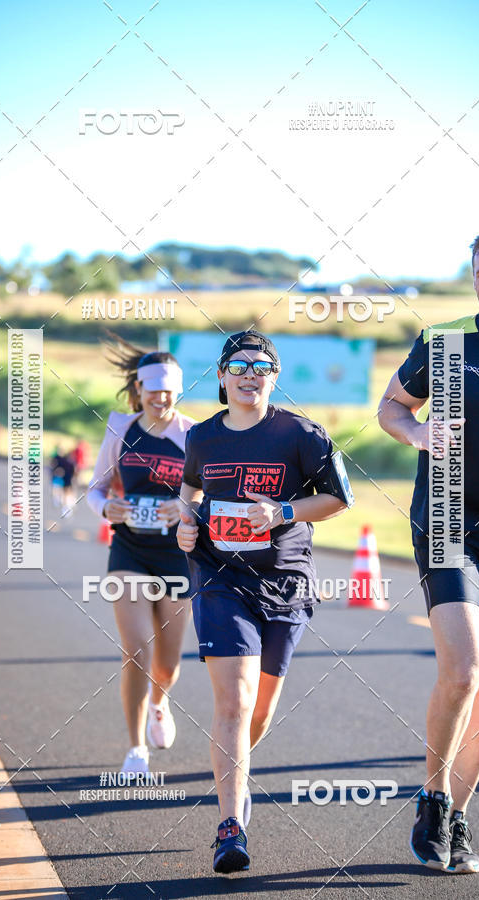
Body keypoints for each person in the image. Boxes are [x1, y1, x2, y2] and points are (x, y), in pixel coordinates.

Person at [378, 225, 479, 875]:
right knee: (465, 669)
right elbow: (392, 408)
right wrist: (417, 433)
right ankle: (434, 798)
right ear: (473, 279)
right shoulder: (445, 345)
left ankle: (460, 818)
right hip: (445, 516)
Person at [177, 330, 353, 873]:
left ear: (274, 376)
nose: (249, 374)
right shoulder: (202, 437)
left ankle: (238, 775)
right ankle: (230, 826)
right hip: (220, 578)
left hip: (286, 583)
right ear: (222, 376)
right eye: (238, 365)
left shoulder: (301, 433)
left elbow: (339, 498)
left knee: (259, 711)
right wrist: (186, 524)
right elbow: (190, 491)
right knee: (233, 701)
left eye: (261, 366)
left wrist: (282, 512)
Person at [87, 335, 196, 776]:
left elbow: (211, 495)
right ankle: (135, 749)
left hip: (176, 556)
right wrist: (106, 508)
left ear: (177, 391)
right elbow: (95, 488)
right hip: (129, 549)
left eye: (168, 391)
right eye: (153, 391)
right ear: (139, 389)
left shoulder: (193, 435)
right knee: (135, 650)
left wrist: (184, 506)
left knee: (167, 665)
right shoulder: (121, 429)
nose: (161, 399)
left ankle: (159, 701)